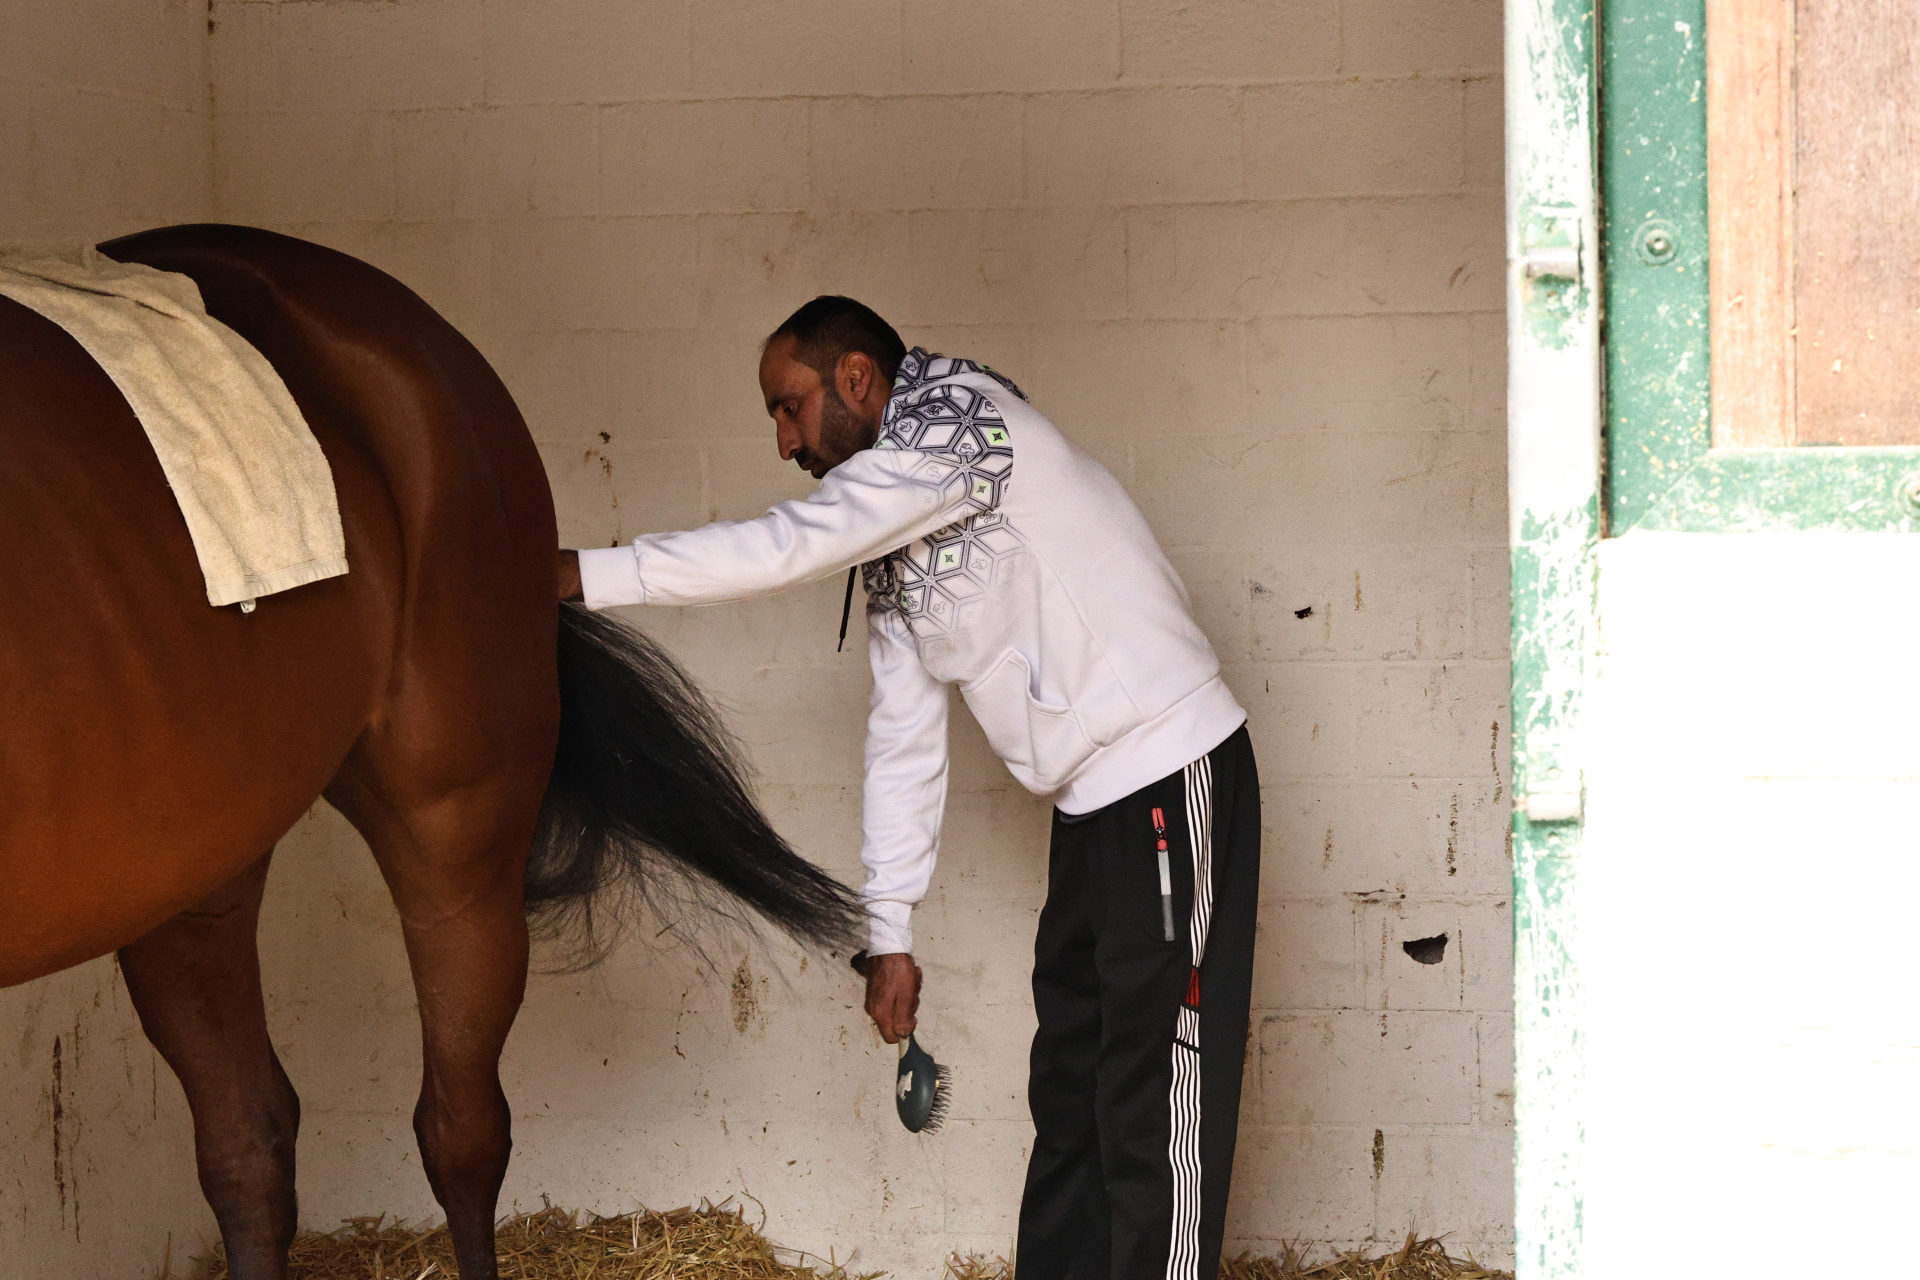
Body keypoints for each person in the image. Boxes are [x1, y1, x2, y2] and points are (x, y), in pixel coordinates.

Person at [558, 297, 1261, 1280]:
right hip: (1086, 804)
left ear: (856, 379)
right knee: (1071, 1087)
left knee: (1154, 1091)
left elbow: (790, 543)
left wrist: (587, 574)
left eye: (790, 406)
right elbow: (901, 738)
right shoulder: (897, 530)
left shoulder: (962, 423)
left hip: (1164, 771)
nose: (782, 439)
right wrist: (890, 929)